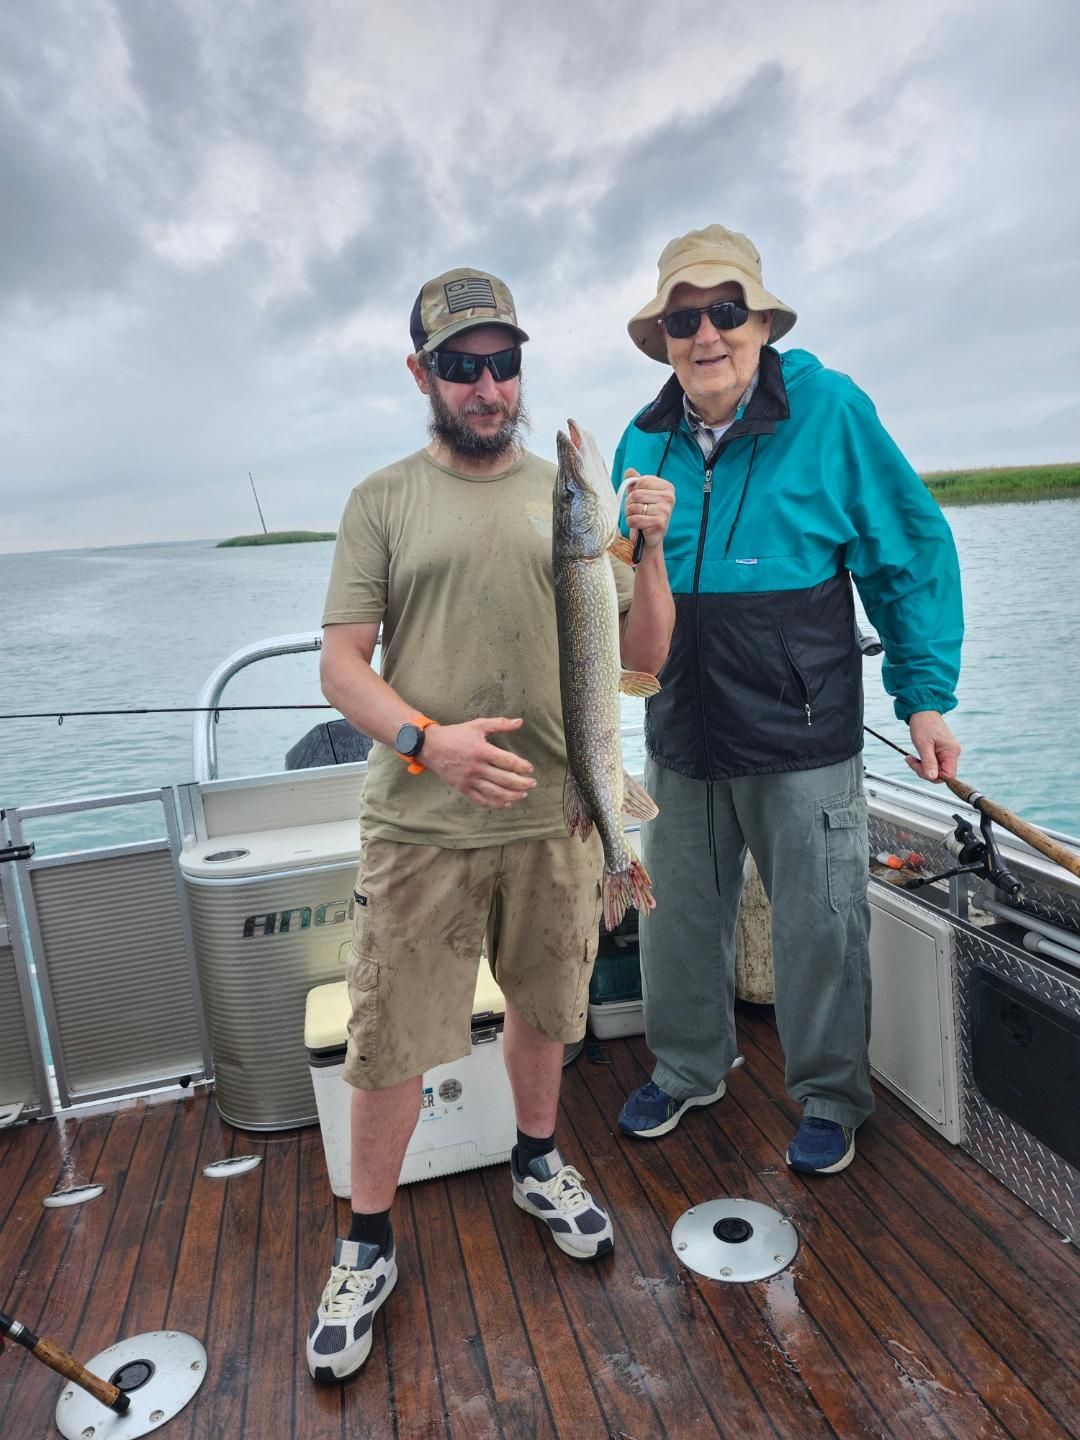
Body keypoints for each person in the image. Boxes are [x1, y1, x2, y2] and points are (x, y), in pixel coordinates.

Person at [306, 267, 675, 1382]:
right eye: (461, 365)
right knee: (390, 1043)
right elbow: (340, 666)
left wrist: (646, 544)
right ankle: (366, 1242)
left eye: (503, 362)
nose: (487, 384)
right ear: (422, 374)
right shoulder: (382, 499)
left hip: (564, 820)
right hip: (421, 828)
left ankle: (537, 1159)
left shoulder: (571, 505)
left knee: (549, 1010)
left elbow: (645, 658)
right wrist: (430, 742)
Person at [612, 226, 963, 1175]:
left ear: (761, 322)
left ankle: (830, 1095)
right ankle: (687, 1069)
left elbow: (908, 551)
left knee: (822, 923)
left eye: (727, 310)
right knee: (676, 917)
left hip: (802, 732)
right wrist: (641, 548)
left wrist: (923, 697)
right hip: (680, 729)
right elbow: (620, 611)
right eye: (685, 318)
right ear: (664, 337)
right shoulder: (642, 442)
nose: (707, 333)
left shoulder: (831, 411)